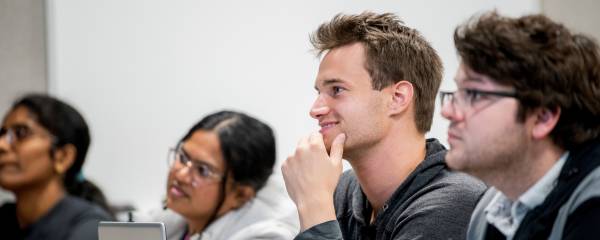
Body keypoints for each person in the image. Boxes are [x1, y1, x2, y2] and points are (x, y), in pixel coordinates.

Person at [282, 12, 486, 239]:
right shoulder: (344, 190)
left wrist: (315, 207)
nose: (315, 109)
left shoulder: (453, 204)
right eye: (319, 92)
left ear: (397, 98)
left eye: (337, 90)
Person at [442, 11, 600, 239]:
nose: (447, 111)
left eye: (474, 94)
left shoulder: (592, 208)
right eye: (457, 92)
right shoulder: (492, 211)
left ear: (542, 117)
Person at [134, 110, 298, 240]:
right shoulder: (185, 215)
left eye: (202, 170)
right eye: (183, 158)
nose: (181, 175)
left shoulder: (267, 235)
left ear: (241, 194)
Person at [0, 94, 113, 240]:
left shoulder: (89, 227)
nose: (2, 145)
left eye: (21, 133)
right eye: (2, 134)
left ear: (63, 157)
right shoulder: (6, 219)